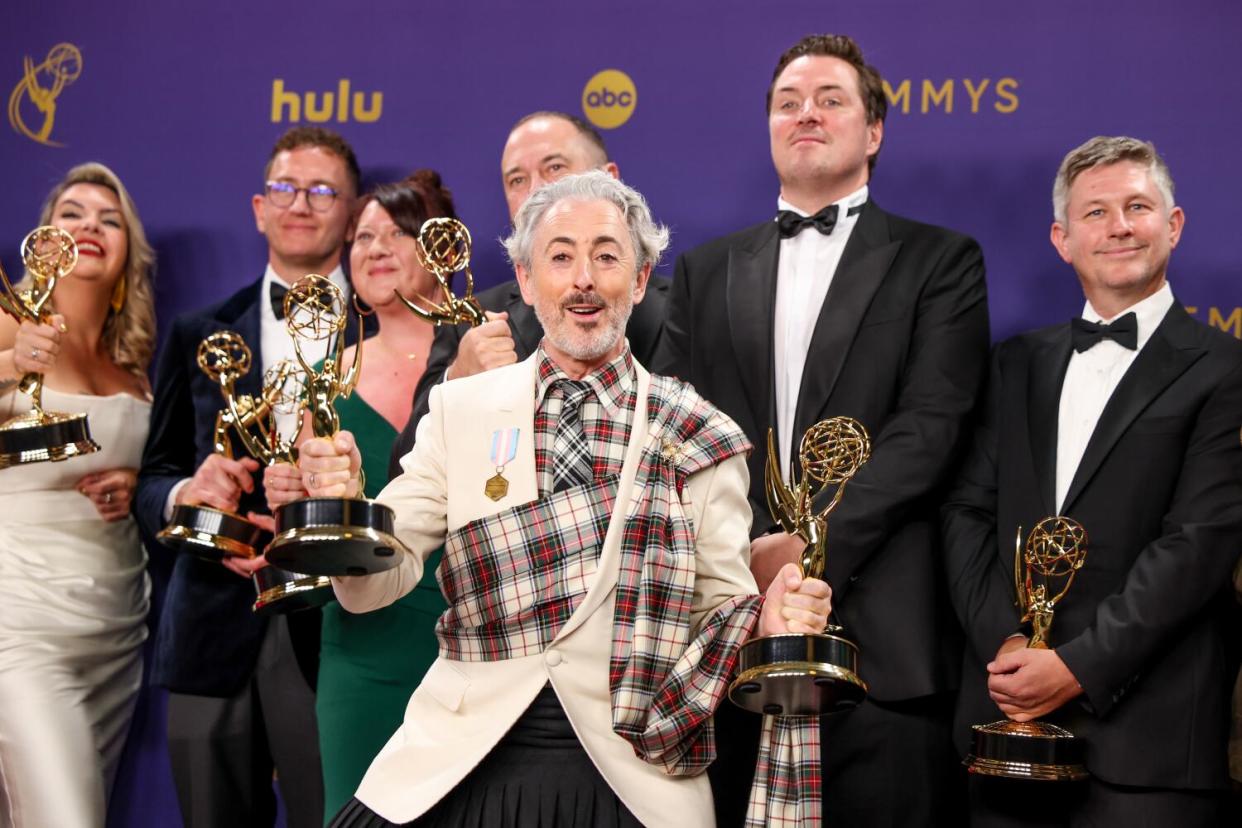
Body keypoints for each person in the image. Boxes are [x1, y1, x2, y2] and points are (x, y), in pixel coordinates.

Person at [299, 171, 833, 827]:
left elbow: (717, 612)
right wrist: (347, 512)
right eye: (560, 256)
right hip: (456, 761)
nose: (583, 278)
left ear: (638, 281)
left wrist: (767, 620)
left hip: (636, 771)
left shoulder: (699, 434)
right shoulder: (460, 408)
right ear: (525, 280)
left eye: (606, 255)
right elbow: (375, 584)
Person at [654, 33, 990, 825]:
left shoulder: (939, 262)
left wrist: (804, 548)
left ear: (873, 132)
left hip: (886, 648)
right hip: (733, 638)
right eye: (788, 102)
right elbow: (677, 434)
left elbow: (931, 429)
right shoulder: (705, 271)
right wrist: (747, 558)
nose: (806, 113)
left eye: (831, 99)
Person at [942, 136, 1242, 826]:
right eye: (1096, 212)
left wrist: (1077, 664)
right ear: (1062, 238)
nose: (1119, 226)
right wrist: (1008, 643)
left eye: (1138, 206)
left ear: (1173, 224)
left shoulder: (1227, 370)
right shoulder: (1013, 362)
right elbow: (964, 511)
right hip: (1003, 732)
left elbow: (1198, 546)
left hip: (1150, 746)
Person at [135, 126, 361, 827]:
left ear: (353, 216)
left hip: (340, 630)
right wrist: (190, 497)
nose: (302, 203)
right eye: (287, 188)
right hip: (211, 621)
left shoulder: (384, 333)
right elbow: (153, 479)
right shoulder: (199, 331)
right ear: (259, 208)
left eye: (323, 190)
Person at [263, 171, 455, 821]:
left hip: (473, 638)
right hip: (363, 643)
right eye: (362, 236)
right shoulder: (324, 379)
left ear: (440, 246)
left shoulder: (491, 350)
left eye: (396, 232)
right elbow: (317, 517)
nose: (374, 247)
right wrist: (291, 489)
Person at [0, 161, 156, 826]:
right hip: (22, 621)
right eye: (73, 214)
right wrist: (12, 365)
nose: (90, 225)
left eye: (108, 218)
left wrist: (136, 481)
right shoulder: (7, 324)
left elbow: (132, 462)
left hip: (117, 631)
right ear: (45, 239)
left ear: (128, 252)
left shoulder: (137, 369)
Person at [387, 111, 668, 478]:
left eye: (554, 168)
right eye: (517, 180)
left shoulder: (679, 312)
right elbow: (405, 469)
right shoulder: (472, 318)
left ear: (609, 179)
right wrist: (457, 378)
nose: (535, 190)